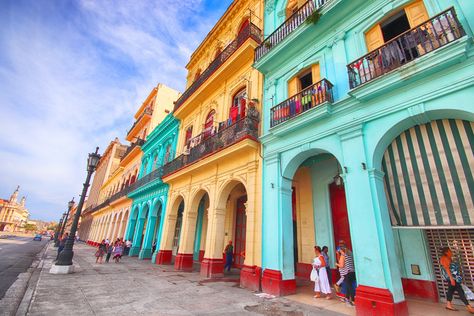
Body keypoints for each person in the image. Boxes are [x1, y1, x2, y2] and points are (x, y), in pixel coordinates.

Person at [440, 246, 474, 313]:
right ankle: (469, 307)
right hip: (452, 278)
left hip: (453, 278)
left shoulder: (448, 258)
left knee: (450, 291)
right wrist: (452, 279)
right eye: (450, 251)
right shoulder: (444, 259)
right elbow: (447, 269)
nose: (451, 252)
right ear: (446, 252)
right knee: (460, 291)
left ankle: (448, 305)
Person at [336, 242, 356, 306]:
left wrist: (336, 264)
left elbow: (341, 265)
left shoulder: (343, 255)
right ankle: (347, 298)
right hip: (353, 272)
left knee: (349, 287)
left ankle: (353, 300)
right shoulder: (350, 254)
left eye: (339, 250)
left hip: (348, 273)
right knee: (348, 286)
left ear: (341, 250)